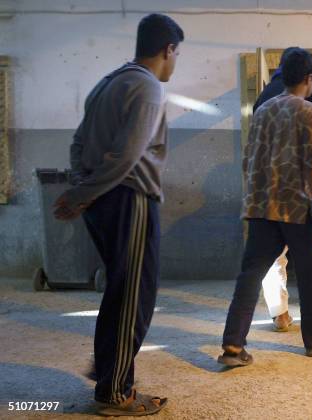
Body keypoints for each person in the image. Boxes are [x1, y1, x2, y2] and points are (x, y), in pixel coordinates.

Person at [53, 13, 183, 416]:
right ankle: (115, 393)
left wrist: (81, 190)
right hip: (130, 199)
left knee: (120, 291)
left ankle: (112, 372)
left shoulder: (106, 83)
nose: (175, 62)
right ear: (168, 50)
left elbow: (78, 143)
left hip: (103, 201)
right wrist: (81, 194)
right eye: (177, 54)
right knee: (134, 297)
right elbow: (126, 157)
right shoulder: (147, 87)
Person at [218, 48, 312, 366]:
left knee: (251, 275)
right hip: (297, 209)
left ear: (282, 75)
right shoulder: (311, 112)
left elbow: (248, 161)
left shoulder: (263, 110)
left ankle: (232, 345)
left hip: (260, 207)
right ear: (310, 78)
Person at [255, 47, 312, 332]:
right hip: (299, 192)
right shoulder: (311, 98)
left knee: (271, 259)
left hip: (266, 193)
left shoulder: (264, 99)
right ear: (309, 76)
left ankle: (279, 313)